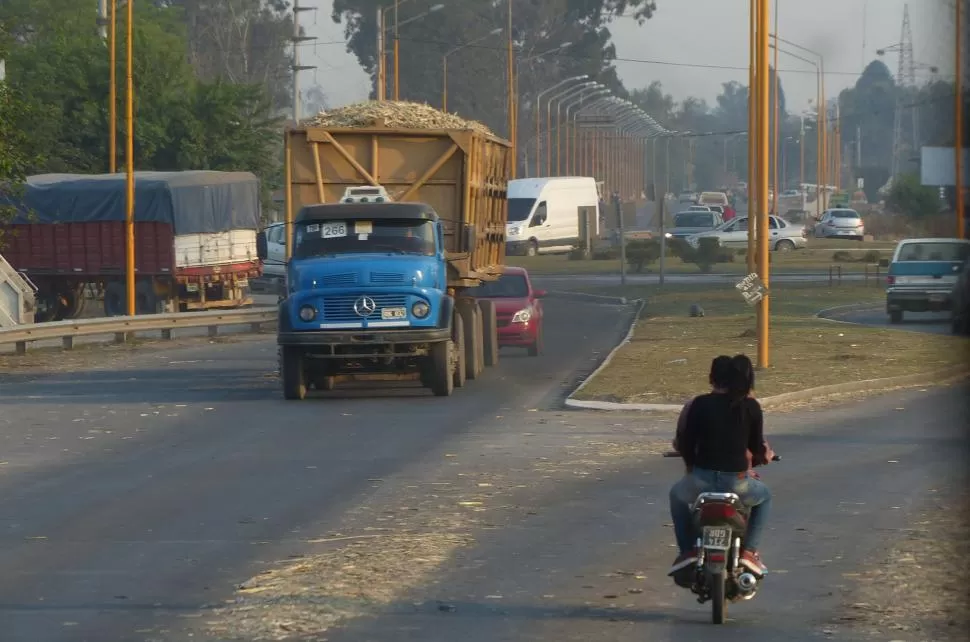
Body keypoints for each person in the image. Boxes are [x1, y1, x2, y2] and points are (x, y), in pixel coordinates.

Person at [668, 354, 773, 579]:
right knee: (765, 497)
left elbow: (686, 442)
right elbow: (756, 448)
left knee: (676, 496)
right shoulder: (750, 407)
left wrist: (690, 467)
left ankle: (687, 551)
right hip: (737, 481)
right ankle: (749, 551)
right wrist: (765, 455)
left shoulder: (698, 404)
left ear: (711, 377)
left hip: (701, 479)